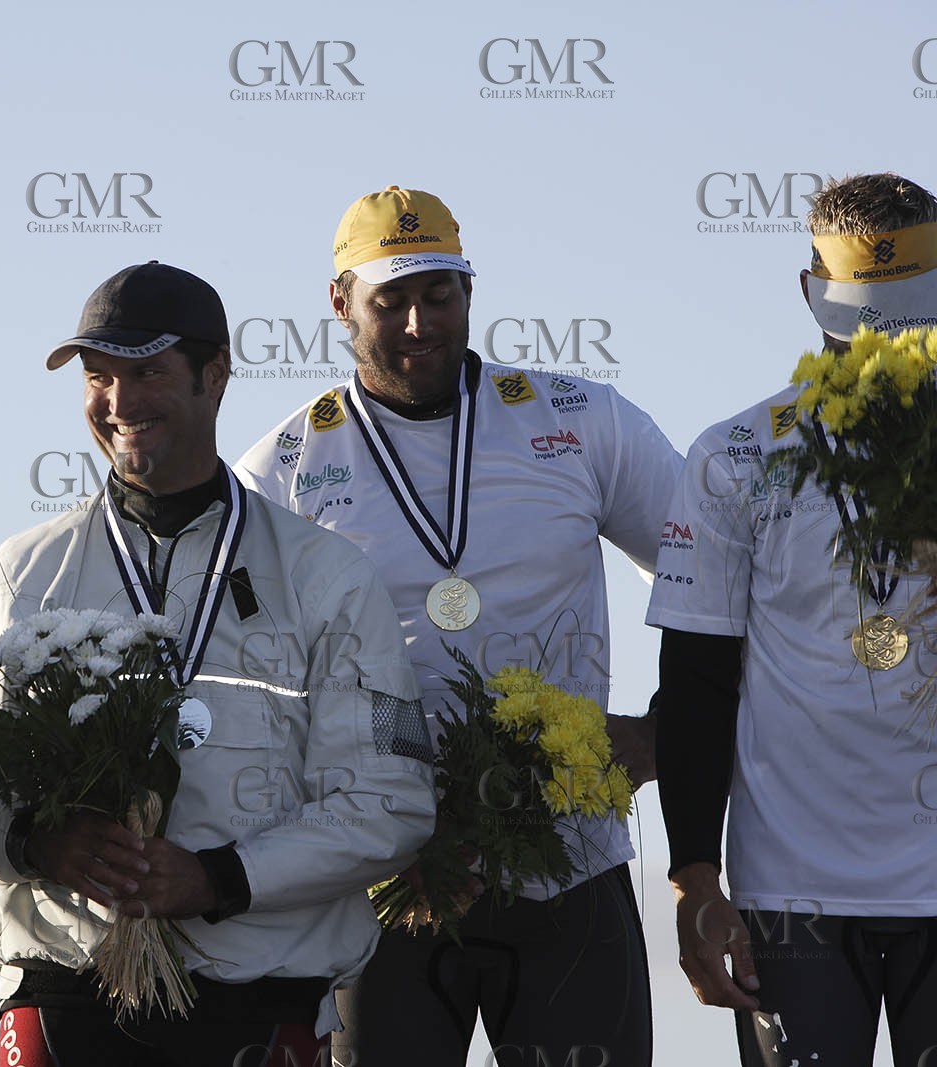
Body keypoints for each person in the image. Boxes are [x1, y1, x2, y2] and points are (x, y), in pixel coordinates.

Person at [0, 261, 437, 1066]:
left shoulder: (328, 576)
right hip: (63, 987)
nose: (119, 403)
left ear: (215, 374)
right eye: (99, 377)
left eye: (147, 373)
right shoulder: (20, 572)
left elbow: (391, 803)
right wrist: (40, 842)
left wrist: (217, 878)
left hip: (258, 998)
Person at [236, 187, 680, 1067]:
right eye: (388, 300)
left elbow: (718, 587)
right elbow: (242, 680)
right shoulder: (283, 469)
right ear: (339, 302)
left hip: (571, 863)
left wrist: (664, 733)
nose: (416, 323)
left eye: (437, 294)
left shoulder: (578, 422)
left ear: (469, 292)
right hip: (384, 883)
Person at [649, 171, 937, 1067]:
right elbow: (697, 682)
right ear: (811, 292)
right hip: (792, 891)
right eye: (866, 319)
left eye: (913, 316)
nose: (888, 347)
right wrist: (694, 872)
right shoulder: (736, 455)